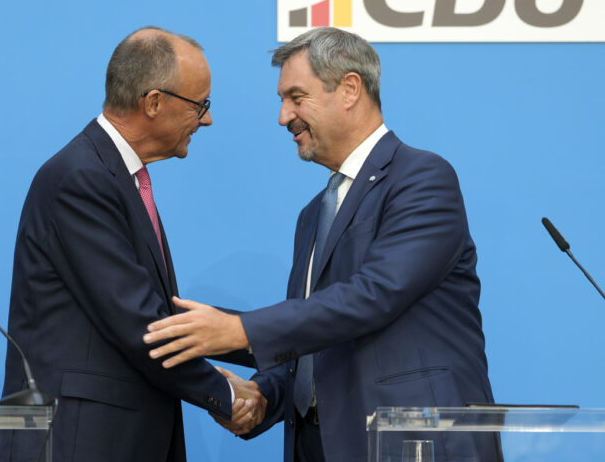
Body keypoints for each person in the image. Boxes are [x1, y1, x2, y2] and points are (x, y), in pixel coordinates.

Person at [143, 27, 501, 462]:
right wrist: (263, 397)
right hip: (318, 445)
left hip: (411, 442)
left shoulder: (421, 179)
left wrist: (238, 330)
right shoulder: (314, 213)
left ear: (350, 88)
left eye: (296, 96)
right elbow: (315, 346)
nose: (283, 116)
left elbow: (374, 296)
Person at [0, 26, 264, 462]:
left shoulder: (113, 176)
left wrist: (266, 341)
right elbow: (141, 324)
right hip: (80, 442)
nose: (207, 119)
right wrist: (225, 394)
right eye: (201, 105)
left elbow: (152, 311)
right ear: (153, 103)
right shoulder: (81, 179)